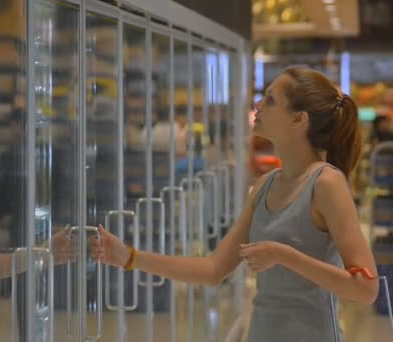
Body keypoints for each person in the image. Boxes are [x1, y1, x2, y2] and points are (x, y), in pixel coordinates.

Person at [91, 66, 378, 342]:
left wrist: (284, 255)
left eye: (270, 99)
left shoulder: (326, 183)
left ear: (298, 119)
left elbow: (366, 289)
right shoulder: (266, 185)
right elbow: (214, 268)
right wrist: (129, 257)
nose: (257, 104)